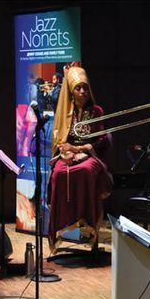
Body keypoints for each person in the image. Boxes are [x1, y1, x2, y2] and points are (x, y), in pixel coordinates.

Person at [47, 66, 113, 253]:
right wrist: (64, 151)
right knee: (58, 173)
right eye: (78, 88)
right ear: (71, 91)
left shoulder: (97, 111)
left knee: (86, 171)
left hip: (89, 154)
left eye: (85, 87)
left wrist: (81, 149)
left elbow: (102, 139)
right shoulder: (65, 111)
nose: (82, 91)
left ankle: (90, 224)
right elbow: (60, 139)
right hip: (68, 155)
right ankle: (61, 225)